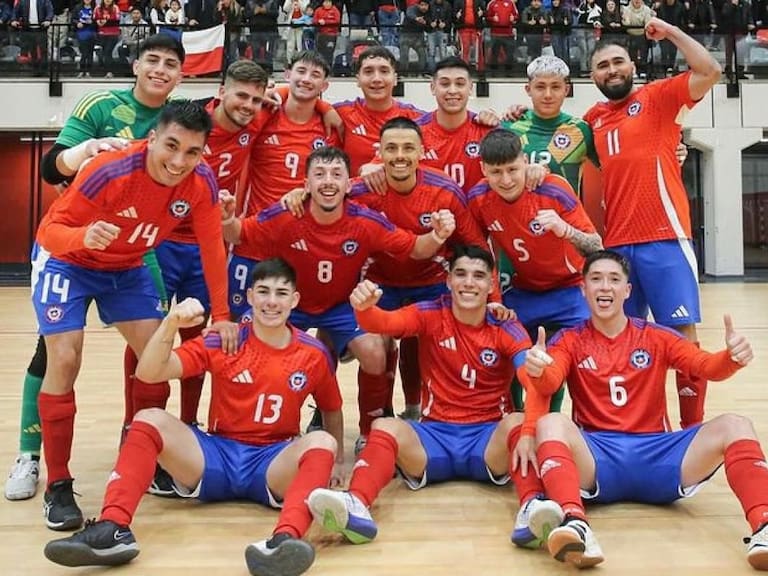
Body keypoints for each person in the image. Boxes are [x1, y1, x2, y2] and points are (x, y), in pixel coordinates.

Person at [43, 258, 344, 576]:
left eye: (281, 293)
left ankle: (284, 540)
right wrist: (170, 323)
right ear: (251, 296)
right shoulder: (225, 340)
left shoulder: (312, 353)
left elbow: (332, 407)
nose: (272, 301)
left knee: (322, 441)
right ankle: (113, 528)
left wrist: (336, 461)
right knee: (148, 418)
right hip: (216, 454)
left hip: (272, 461)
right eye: (264, 292)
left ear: (294, 300)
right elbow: (149, 373)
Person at [31, 101, 237, 531]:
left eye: (193, 152)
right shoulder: (110, 169)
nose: (179, 161)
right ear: (153, 138)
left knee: (156, 364)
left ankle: (144, 452)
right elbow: (48, 231)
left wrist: (222, 313)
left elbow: (212, 247)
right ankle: (58, 484)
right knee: (64, 359)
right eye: (172, 146)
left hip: (126, 268)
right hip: (67, 261)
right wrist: (83, 235)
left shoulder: (201, 181)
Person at [5, 33, 186, 503]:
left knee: (153, 350)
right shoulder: (101, 105)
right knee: (56, 355)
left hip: (138, 250)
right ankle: (31, 455)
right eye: (152, 60)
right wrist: (84, 153)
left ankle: (142, 445)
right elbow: (51, 169)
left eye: (170, 63)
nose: (160, 69)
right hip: (75, 245)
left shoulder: (179, 121)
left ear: (180, 75)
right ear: (136, 65)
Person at [520, 250, 767, 570]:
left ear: (628, 290)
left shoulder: (656, 336)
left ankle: (763, 525)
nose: (604, 287)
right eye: (595, 280)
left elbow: (703, 366)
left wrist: (731, 358)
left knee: (736, 424)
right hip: (599, 458)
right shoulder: (569, 339)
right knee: (551, 422)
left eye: (614, 280)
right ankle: (576, 522)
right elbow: (550, 382)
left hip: (659, 456)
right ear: (583, 289)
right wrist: (539, 369)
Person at [306, 245, 564, 550]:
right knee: (385, 427)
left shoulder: (506, 326)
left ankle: (531, 506)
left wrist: (536, 385)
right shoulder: (430, 313)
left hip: (487, 441)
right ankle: (355, 503)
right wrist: (364, 308)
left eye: (479, 276)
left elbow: (532, 381)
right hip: (434, 438)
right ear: (449, 281)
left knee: (519, 422)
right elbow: (383, 324)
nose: (469, 282)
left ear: (491, 285)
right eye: (461, 274)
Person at [221, 145, 457, 449]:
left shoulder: (365, 221)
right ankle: (253, 430)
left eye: (336, 175)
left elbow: (414, 247)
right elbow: (239, 234)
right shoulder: (287, 213)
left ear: (349, 184)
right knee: (246, 346)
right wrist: (227, 219)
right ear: (305, 185)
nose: (328, 182)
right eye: (319, 175)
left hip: (341, 306)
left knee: (375, 350)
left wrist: (437, 235)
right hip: (293, 305)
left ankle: (369, 430)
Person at [583, 22, 721, 430]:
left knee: (682, 339)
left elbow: (710, 71)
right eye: (602, 65)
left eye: (618, 62)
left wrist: (673, 32)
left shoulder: (658, 97)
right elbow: (551, 139)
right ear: (593, 76)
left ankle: (692, 430)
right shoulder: (592, 119)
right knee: (623, 341)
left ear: (633, 65)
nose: (611, 70)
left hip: (664, 240)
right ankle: (640, 425)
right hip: (617, 249)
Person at [154, 59, 269, 433]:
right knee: (151, 334)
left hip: (208, 247)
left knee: (200, 338)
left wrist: (324, 107)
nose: (247, 105)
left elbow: (293, 96)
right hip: (162, 242)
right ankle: (138, 423)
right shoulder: (188, 123)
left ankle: (188, 421)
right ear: (221, 92)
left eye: (256, 99)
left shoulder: (255, 123)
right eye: (240, 95)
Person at [468, 129, 603, 411]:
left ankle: (553, 423)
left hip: (570, 290)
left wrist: (565, 230)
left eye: (513, 169)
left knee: (560, 361)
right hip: (525, 290)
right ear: (483, 170)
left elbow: (596, 247)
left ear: (524, 161)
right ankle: (514, 418)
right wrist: (494, 301)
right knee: (504, 350)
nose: (505, 180)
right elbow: (482, 256)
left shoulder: (553, 188)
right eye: (496, 172)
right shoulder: (479, 198)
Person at [230, 50, 341, 319]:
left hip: (302, 242)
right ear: (288, 74)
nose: (306, 79)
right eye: (300, 72)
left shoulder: (329, 128)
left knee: (294, 320)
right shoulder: (263, 115)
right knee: (236, 321)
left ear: (324, 86)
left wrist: (326, 108)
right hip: (254, 236)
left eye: (315, 75)